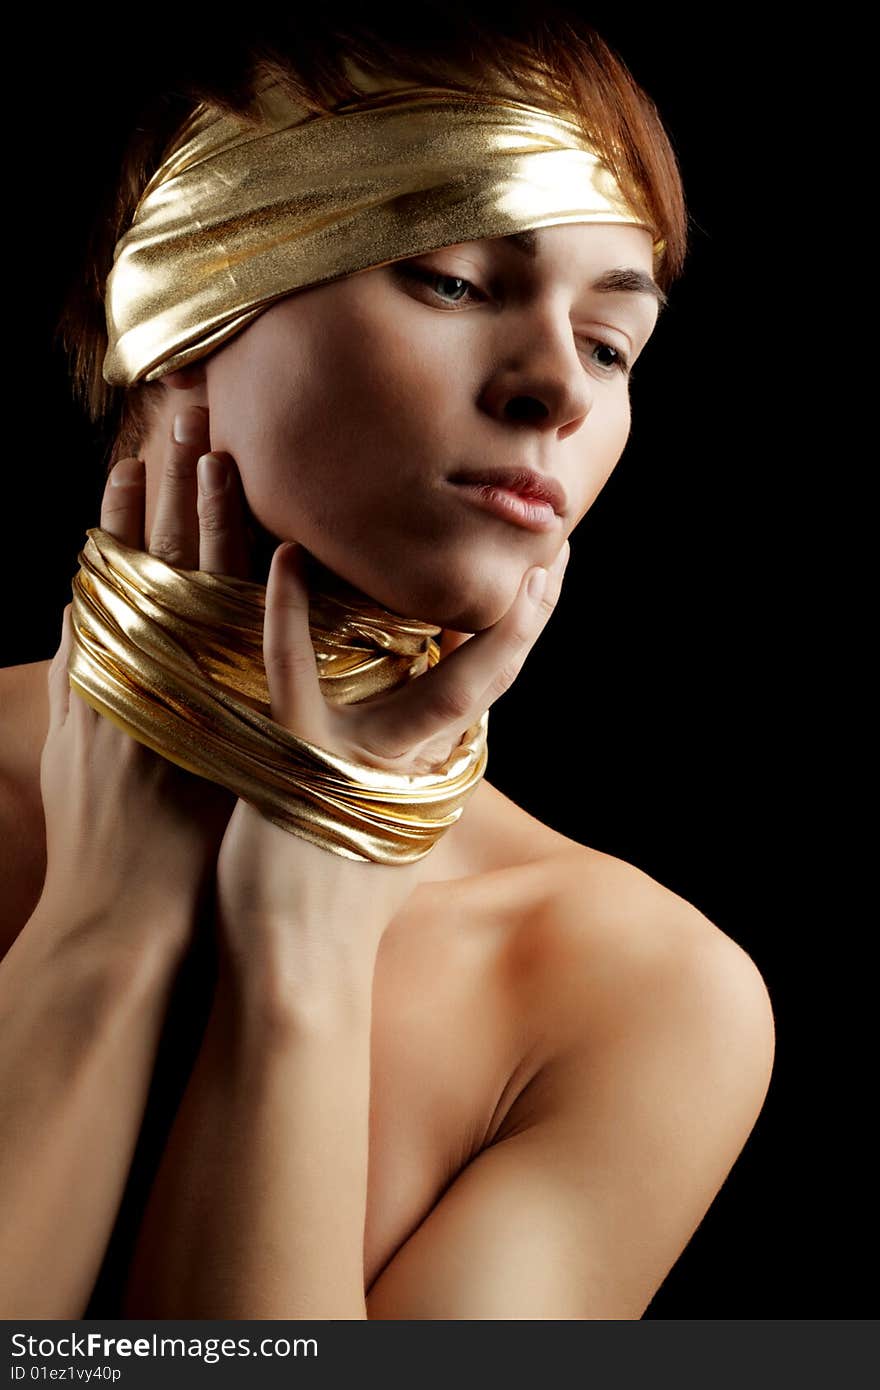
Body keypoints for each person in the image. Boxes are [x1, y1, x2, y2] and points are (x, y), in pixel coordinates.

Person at [0, 7, 775, 1320]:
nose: (558, 389)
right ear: (187, 313)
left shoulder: (634, 991)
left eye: (611, 343)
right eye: (458, 279)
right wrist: (105, 919)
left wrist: (307, 928)